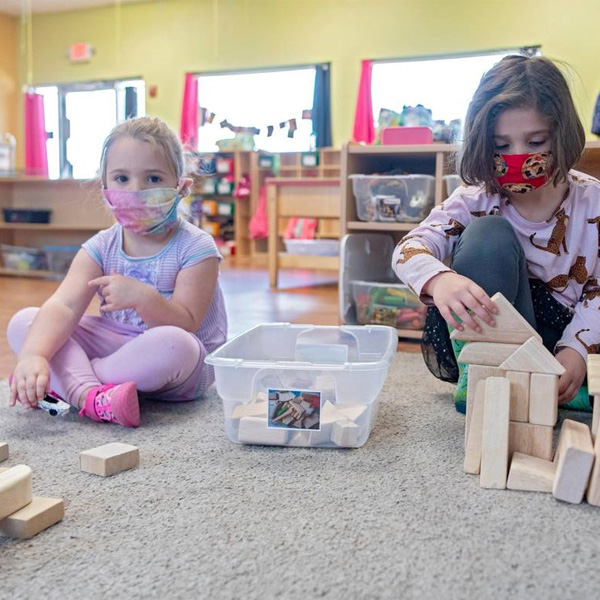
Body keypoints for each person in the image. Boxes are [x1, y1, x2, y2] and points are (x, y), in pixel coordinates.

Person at [393, 55, 599, 413]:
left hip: (563, 339)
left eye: (536, 142)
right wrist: (440, 281)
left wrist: (577, 350)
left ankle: (562, 383)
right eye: (502, 146)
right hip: (490, 331)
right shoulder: (476, 198)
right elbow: (408, 248)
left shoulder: (592, 201)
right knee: (487, 236)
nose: (518, 156)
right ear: (485, 144)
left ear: (560, 135)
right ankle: (486, 375)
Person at [7, 117, 227, 427]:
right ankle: (93, 397)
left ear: (182, 186)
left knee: (177, 344)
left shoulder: (197, 247)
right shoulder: (101, 246)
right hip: (119, 347)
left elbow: (187, 323)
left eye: (152, 178)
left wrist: (142, 298)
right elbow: (64, 306)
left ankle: (76, 383)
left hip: (177, 367)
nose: (135, 190)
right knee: (26, 324)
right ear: (105, 189)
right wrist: (33, 356)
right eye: (122, 179)